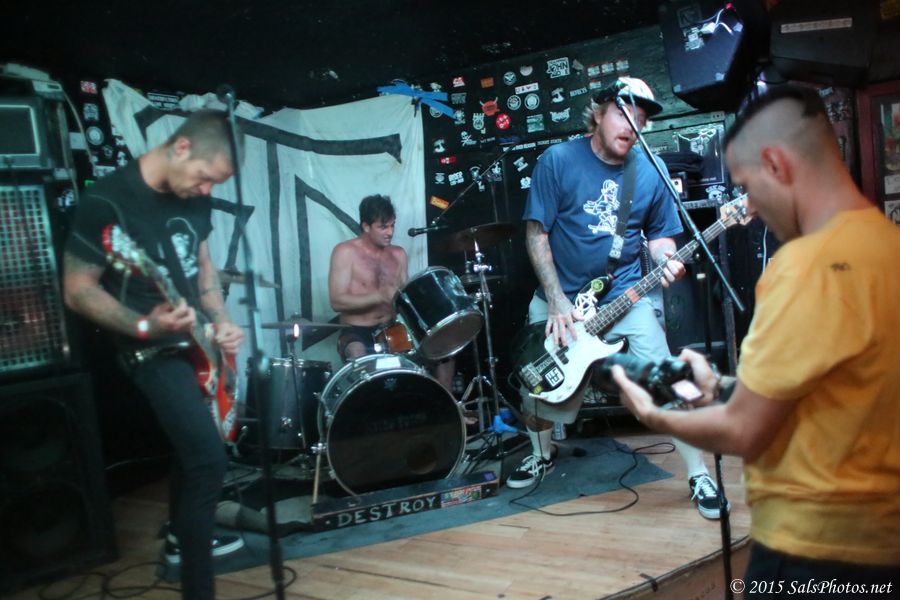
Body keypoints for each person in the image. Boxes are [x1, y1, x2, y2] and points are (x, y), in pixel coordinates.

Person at [612, 85, 900, 591]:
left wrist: (655, 415)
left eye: (747, 186)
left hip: (812, 549)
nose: (751, 207)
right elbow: (826, 397)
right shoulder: (887, 246)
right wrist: (721, 387)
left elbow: (745, 432)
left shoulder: (805, 267)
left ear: (776, 164)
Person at [512, 76, 725, 520]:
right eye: (624, 113)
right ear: (599, 113)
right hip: (561, 298)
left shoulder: (650, 169)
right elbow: (537, 232)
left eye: (641, 118)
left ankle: (699, 474)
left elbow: (661, 237)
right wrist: (556, 300)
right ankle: (541, 454)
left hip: (624, 296)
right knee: (537, 385)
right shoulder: (558, 160)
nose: (633, 125)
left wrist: (668, 259)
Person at [64, 109, 245, 600]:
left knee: (194, 449)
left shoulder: (196, 198)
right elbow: (78, 289)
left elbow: (203, 269)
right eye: (205, 178)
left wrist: (221, 321)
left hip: (198, 344)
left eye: (215, 183)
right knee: (208, 461)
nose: (207, 190)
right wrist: (145, 325)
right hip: (149, 350)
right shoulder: (108, 201)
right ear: (181, 148)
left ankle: (179, 536)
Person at [328, 194, 454, 388]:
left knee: (444, 349)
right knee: (357, 352)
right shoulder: (345, 252)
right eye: (383, 227)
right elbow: (337, 301)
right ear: (366, 226)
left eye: (392, 225)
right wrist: (379, 296)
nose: (390, 232)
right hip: (357, 330)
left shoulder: (398, 254)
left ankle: (446, 400)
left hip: (394, 329)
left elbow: (407, 299)